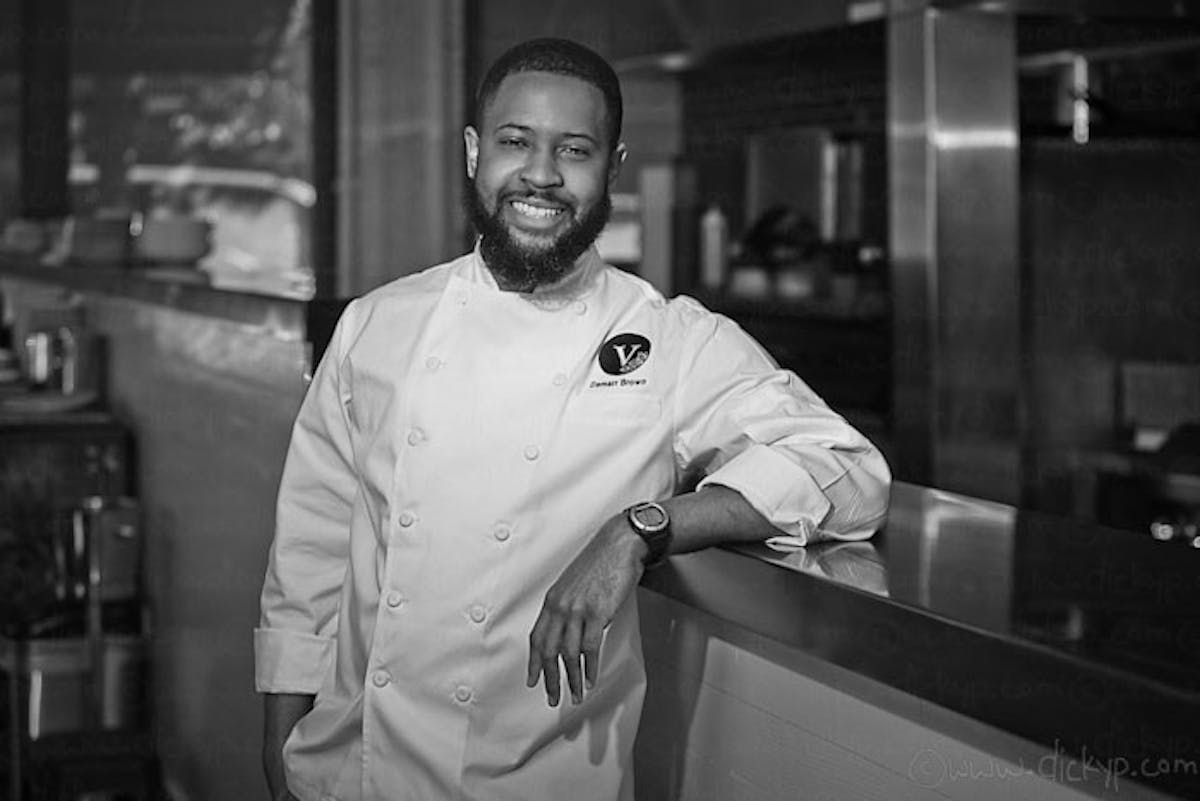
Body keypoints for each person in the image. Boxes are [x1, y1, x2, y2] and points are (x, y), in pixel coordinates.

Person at [255, 37, 890, 801]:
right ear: (473, 151)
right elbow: (309, 551)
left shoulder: (670, 340)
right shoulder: (376, 326)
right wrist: (280, 751)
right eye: (515, 141)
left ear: (613, 166)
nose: (542, 175)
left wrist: (639, 529)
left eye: (575, 149)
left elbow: (850, 472)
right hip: (348, 775)